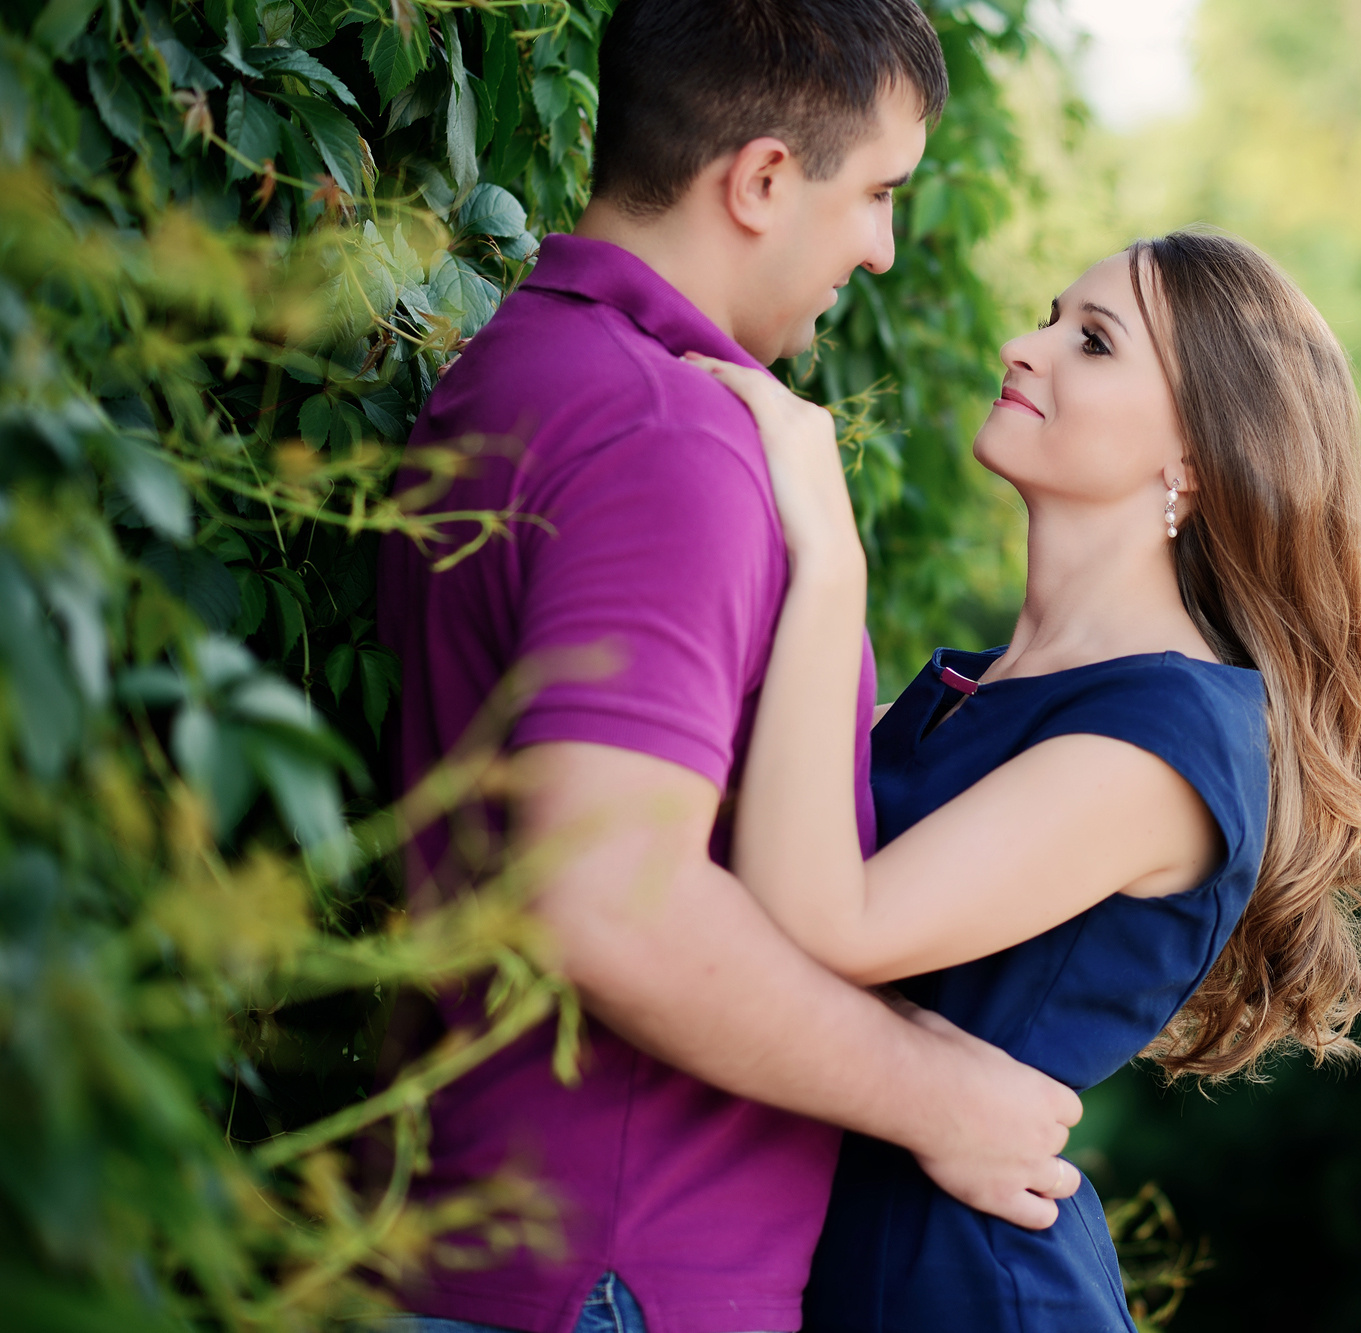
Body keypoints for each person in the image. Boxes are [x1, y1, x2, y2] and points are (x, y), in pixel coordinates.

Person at [374, 4, 1083, 1333]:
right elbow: (611, 899)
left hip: (503, 1243)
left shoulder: (517, 369)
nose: (880, 247)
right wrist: (946, 1098)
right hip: (616, 1275)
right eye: (877, 194)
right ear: (761, 180)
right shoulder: (666, 436)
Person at [687, 229, 1361, 1331]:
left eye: (1089, 341)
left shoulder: (1167, 738)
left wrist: (826, 551)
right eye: (1048, 317)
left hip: (965, 1295)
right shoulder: (962, 692)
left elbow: (826, 922)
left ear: (1193, 460)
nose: (1019, 347)